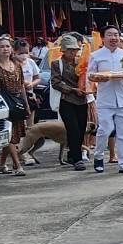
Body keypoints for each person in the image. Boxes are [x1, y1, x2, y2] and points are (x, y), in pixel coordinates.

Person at [87, 25, 123, 174]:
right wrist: (98, 78)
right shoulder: (96, 55)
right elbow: (90, 75)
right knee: (105, 129)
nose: (114, 38)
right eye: (110, 35)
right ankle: (99, 156)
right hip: (105, 99)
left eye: (116, 35)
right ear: (103, 37)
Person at [0, 36, 29, 176]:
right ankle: (17, 165)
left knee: (14, 135)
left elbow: (21, 86)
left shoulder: (16, 65)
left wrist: (26, 104)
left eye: (8, 46)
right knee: (8, 135)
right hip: (1, 104)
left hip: (16, 102)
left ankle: (2, 164)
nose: (5, 49)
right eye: (2, 46)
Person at [49, 35, 89, 170]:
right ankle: (77, 159)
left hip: (82, 99)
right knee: (73, 129)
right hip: (66, 100)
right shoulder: (57, 64)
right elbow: (55, 82)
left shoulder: (81, 62)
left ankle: (72, 153)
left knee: (82, 128)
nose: (73, 53)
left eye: (75, 50)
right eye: (70, 50)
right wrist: (72, 90)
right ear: (63, 50)